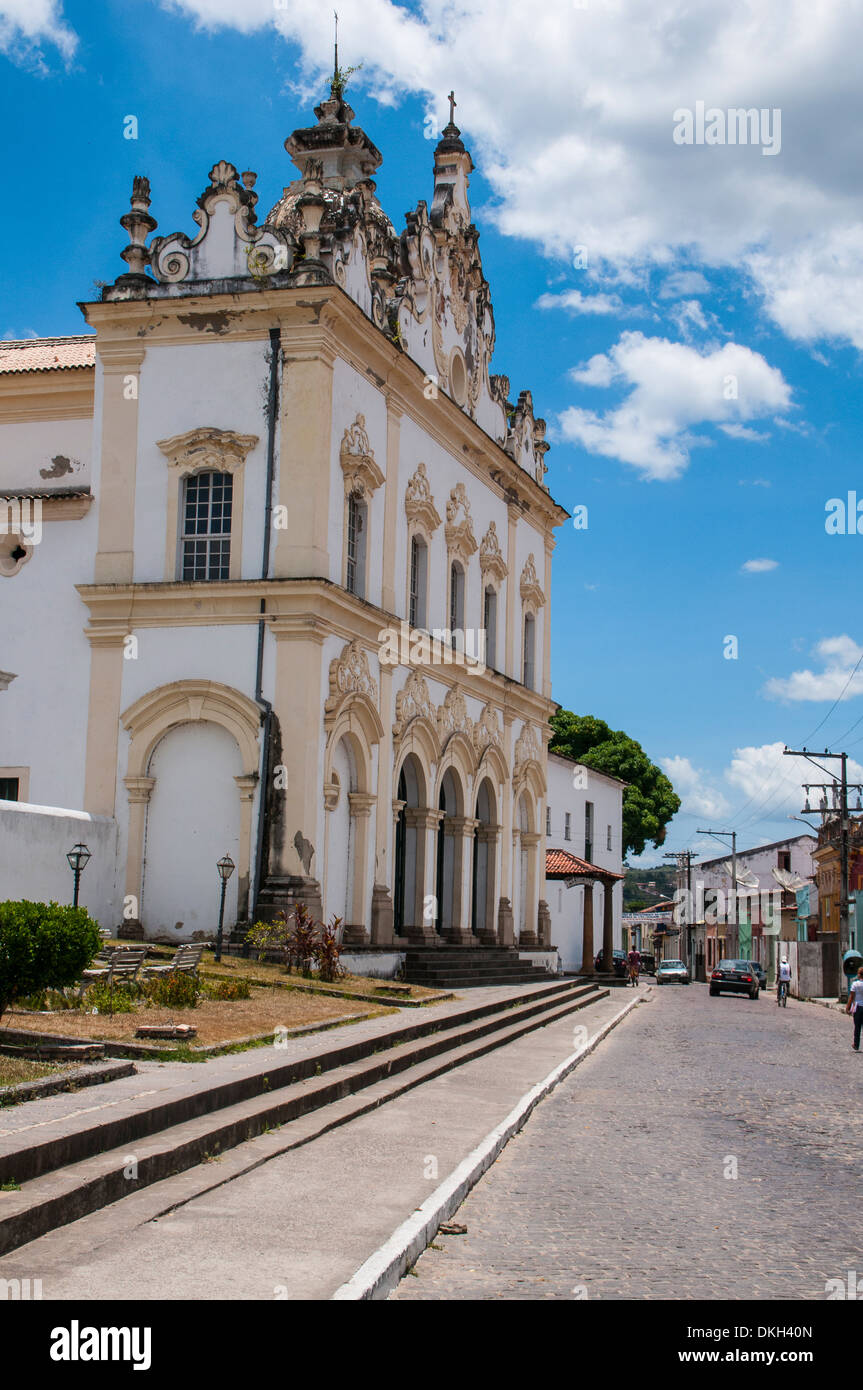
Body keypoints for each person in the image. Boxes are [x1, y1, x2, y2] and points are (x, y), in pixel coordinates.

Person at [845, 966, 863, 1052]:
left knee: (857, 1027)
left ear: (859, 975)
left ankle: (856, 1044)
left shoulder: (855, 984)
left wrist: (847, 1008)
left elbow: (851, 997)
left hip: (858, 1008)